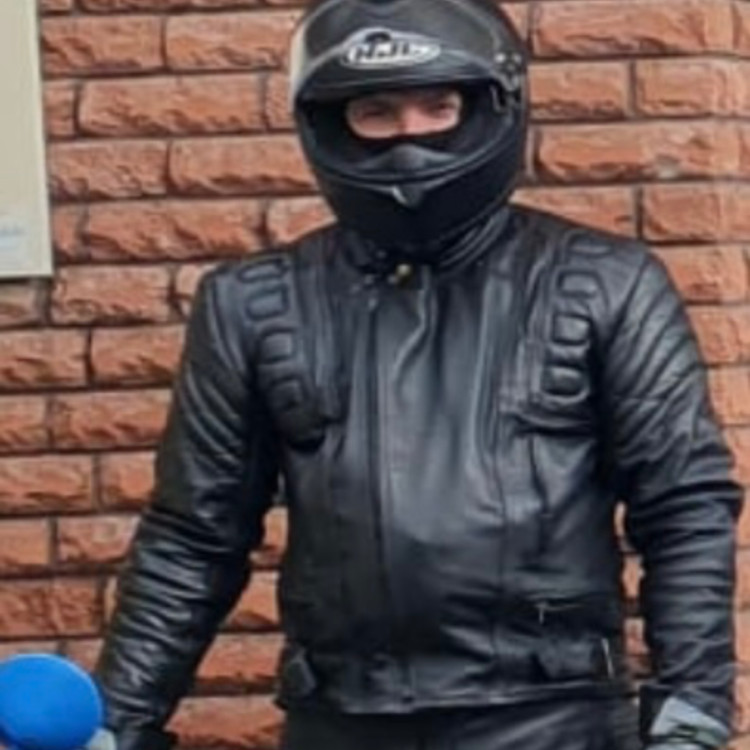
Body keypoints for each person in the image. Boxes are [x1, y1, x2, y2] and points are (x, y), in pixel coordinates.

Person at [93, 1, 742, 749]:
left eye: (439, 106)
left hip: (552, 721)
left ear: (490, 105)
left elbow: (683, 506)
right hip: (342, 720)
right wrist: (115, 721)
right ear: (332, 123)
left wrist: (691, 713)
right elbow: (194, 536)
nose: (411, 136)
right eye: (377, 112)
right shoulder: (253, 303)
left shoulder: (604, 283)